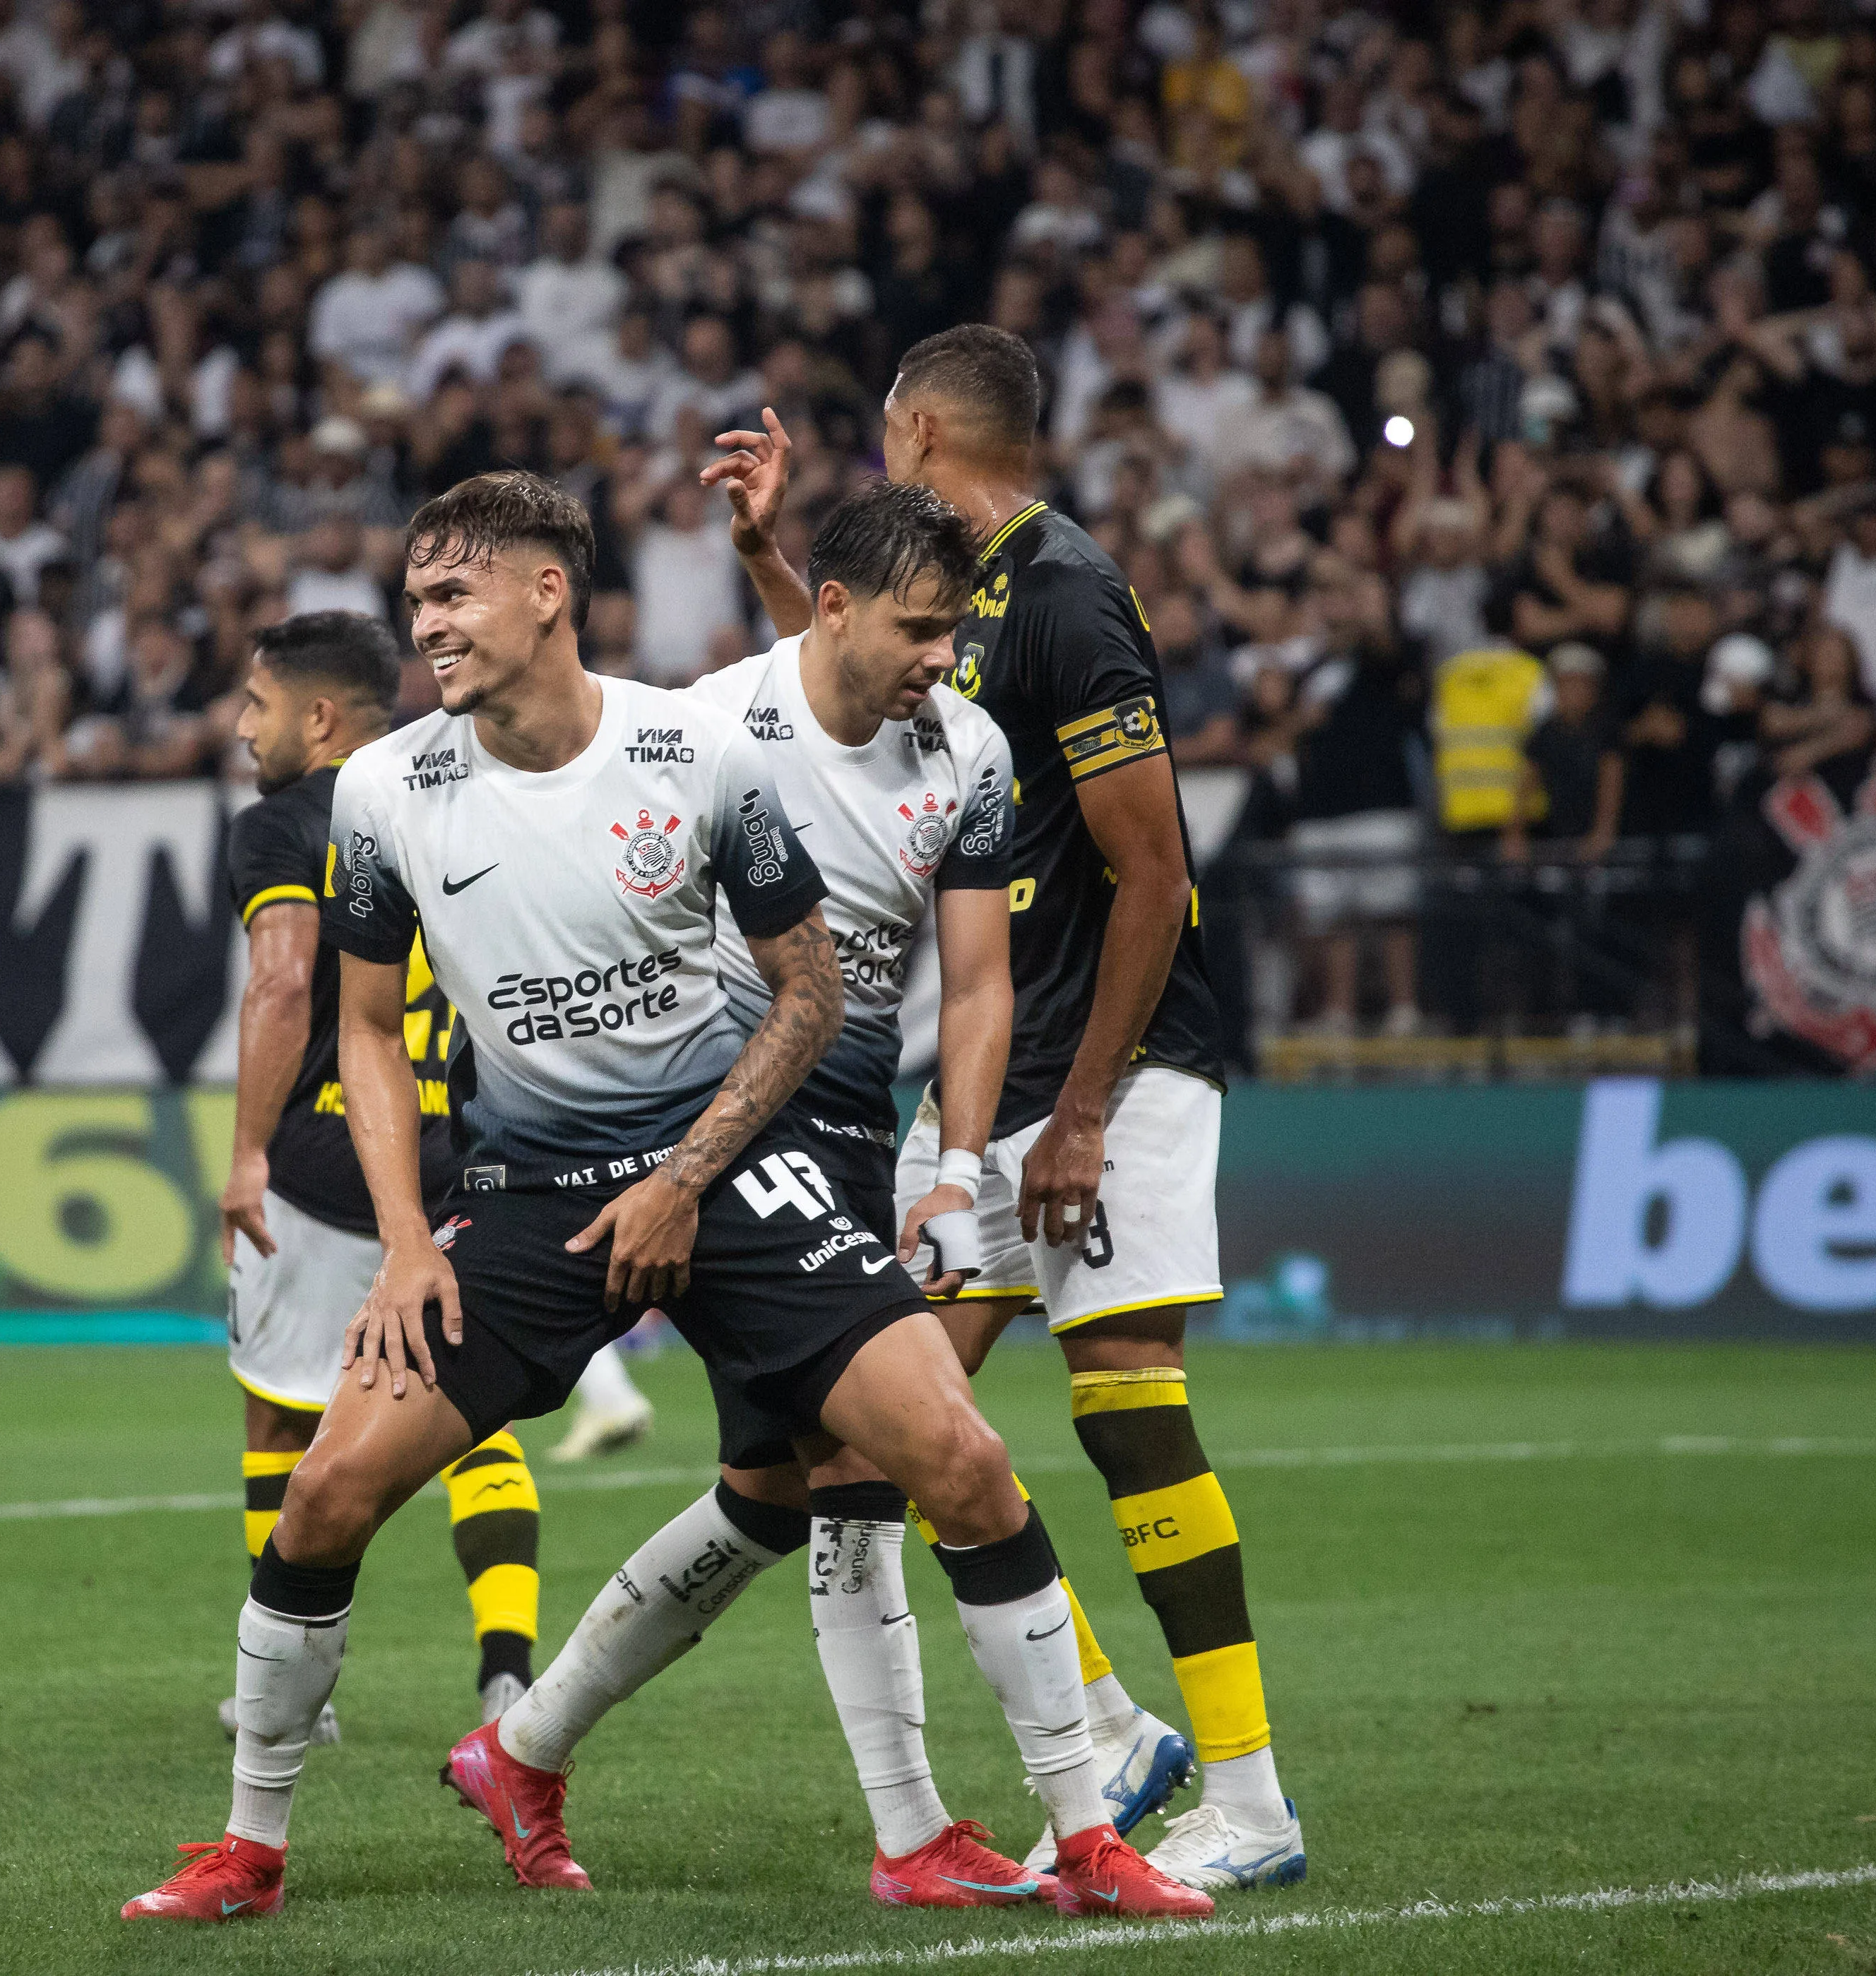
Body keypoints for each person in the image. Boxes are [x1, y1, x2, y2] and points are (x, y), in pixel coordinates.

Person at [122, 471, 1206, 1926]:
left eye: (453, 594)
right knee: (324, 1492)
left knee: (957, 1459)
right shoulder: (385, 790)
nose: (423, 623)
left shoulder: (692, 752)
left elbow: (809, 988)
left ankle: (1085, 1837)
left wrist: (692, 1175)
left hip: (733, 1167)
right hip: (523, 1194)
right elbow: (369, 1032)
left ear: (545, 592)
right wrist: (396, 1247)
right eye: (418, 595)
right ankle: (249, 1847)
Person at [453, 480, 1201, 1908]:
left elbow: (977, 986)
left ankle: (529, 1740)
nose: (947, 659)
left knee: (775, 1489)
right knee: (886, 1471)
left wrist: (955, 1170)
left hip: (856, 1137)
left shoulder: (966, 748)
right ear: (840, 605)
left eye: (957, 631)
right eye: (925, 629)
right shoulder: (704, 731)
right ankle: (959, 1825)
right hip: (725, 1141)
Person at [717, 325, 1306, 1894]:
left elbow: (1156, 865)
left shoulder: (1062, 590)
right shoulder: (965, 604)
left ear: (914, 430)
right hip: (986, 1079)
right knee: (896, 1417)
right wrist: (775, 559)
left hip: (1108, 1067)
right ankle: (1106, 1726)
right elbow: (869, 685)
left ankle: (1248, 1800)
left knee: (1125, 1396)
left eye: (878, 434)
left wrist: (1093, 1107)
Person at [215, 607, 542, 1739]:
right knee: (478, 1421)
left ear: (318, 717)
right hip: (452, 1152)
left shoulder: (285, 825)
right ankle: (508, 1666)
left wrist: (249, 1149)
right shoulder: (455, 792)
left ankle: (296, 1700)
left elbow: (280, 979)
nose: (239, 726)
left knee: (280, 1427)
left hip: (323, 1151)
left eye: (255, 704)